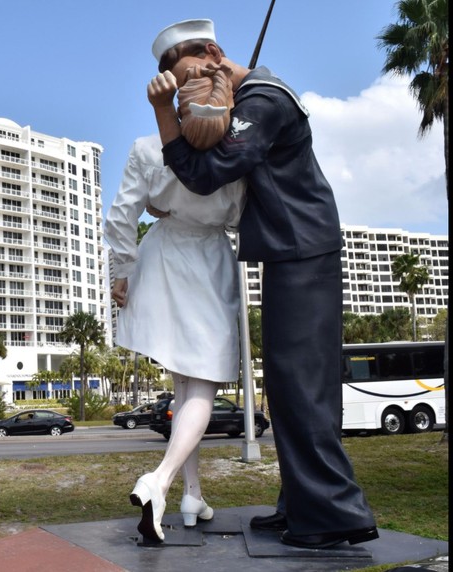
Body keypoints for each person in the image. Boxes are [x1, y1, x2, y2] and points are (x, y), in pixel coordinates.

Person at [146, 18, 378, 549]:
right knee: (290, 388)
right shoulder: (247, 98)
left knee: (302, 388)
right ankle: (302, 504)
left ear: (214, 53)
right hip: (288, 250)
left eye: (188, 79)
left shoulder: (264, 101)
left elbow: (206, 174)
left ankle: (334, 515)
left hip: (303, 249)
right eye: (179, 92)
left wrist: (164, 115)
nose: (187, 96)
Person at [105, 63, 245, 543]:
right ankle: (159, 482)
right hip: (208, 259)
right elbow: (243, 218)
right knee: (202, 384)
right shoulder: (236, 156)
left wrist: (120, 272)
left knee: (185, 384)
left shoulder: (149, 148)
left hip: (162, 256)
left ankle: (193, 493)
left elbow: (122, 214)